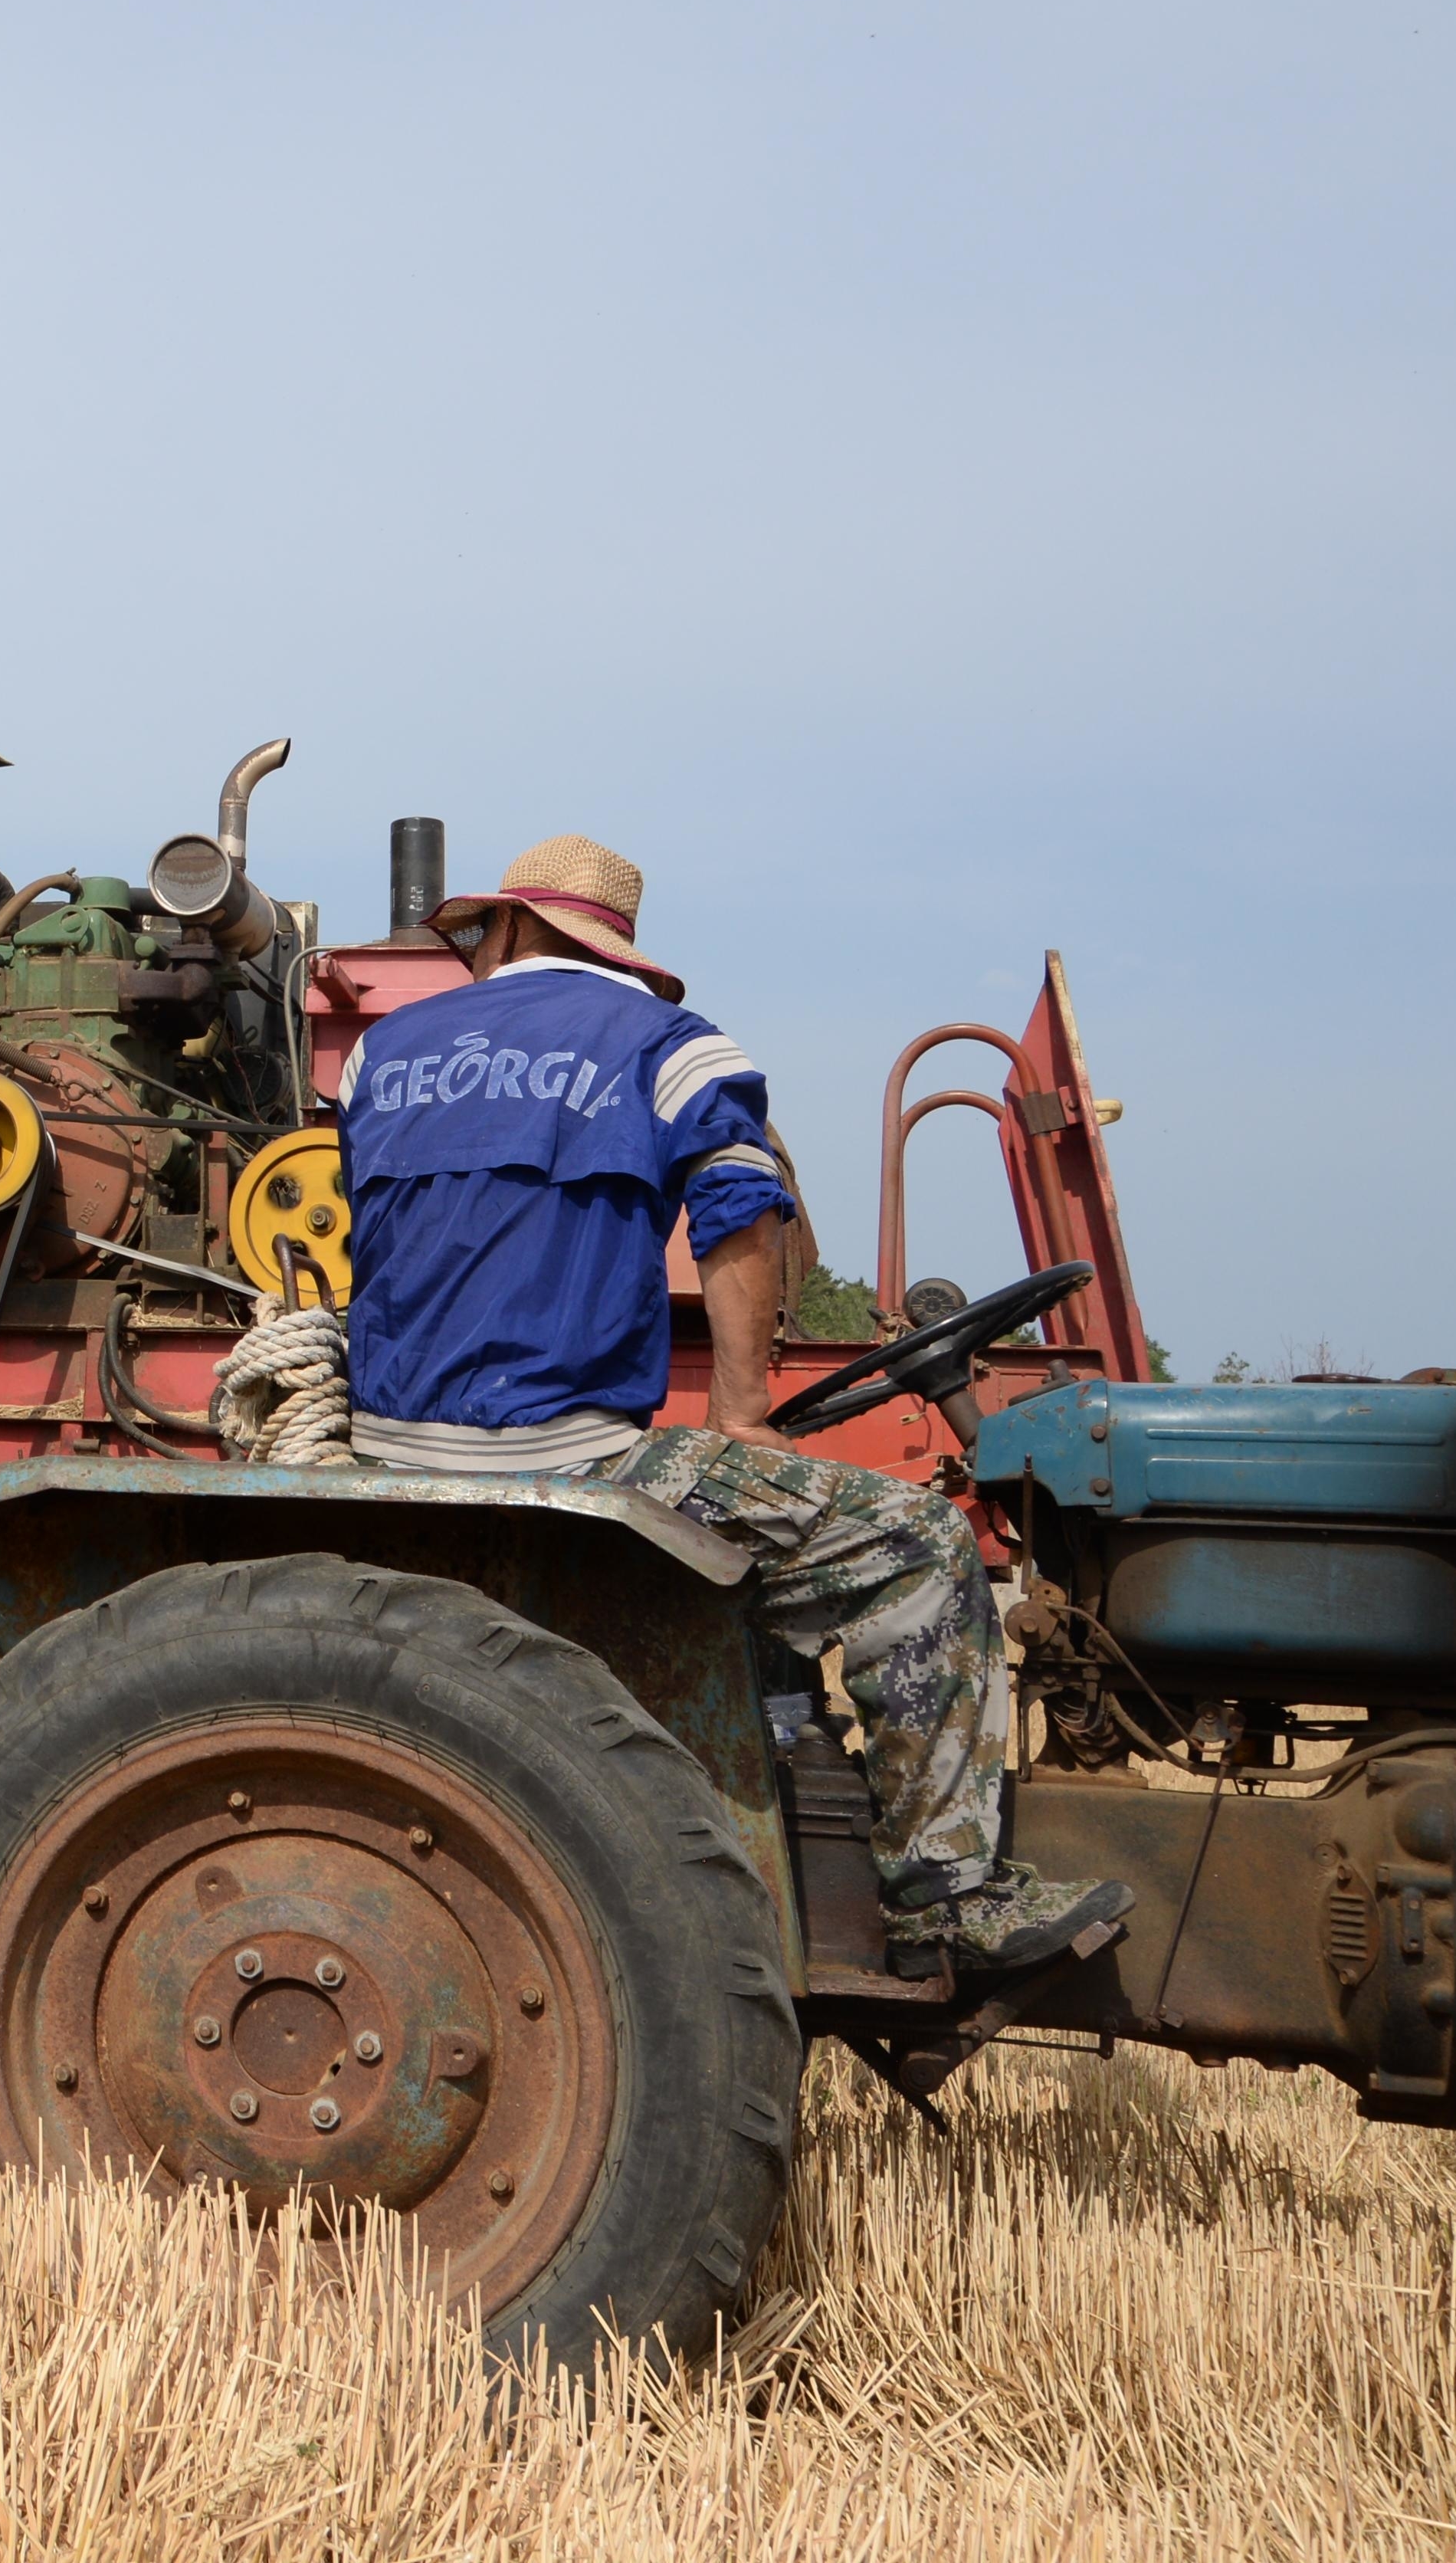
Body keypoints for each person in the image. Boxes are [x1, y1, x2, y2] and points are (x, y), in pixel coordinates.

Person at [331, 832, 1129, 1977]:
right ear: (613, 945)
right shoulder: (673, 1049)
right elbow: (744, 1218)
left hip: (388, 1451)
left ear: (502, 928)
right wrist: (745, 1411)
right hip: (571, 1464)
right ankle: (947, 1897)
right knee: (921, 1546)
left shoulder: (382, 1054)